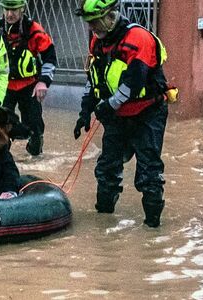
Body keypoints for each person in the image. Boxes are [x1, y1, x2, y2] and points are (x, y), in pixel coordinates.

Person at [72, 0, 170, 227]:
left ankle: (153, 227)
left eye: (95, 22)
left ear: (110, 16)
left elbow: (134, 81)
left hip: (147, 113)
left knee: (149, 170)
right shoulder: (99, 41)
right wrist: (85, 111)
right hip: (117, 115)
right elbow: (93, 79)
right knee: (107, 166)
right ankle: (103, 222)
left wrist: (109, 105)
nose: (92, 28)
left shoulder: (138, 39)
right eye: (89, 23)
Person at [0, 0, 57, 156]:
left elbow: (50, 57)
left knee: (34, 127)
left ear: (22, 8)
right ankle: (2, 160)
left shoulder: (34, 30)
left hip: (29, 85)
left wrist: (43, 82)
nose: (9, 14)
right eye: (6, 9)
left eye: (13, 9)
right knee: (0, 127)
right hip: (3, 86)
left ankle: (35, 154)